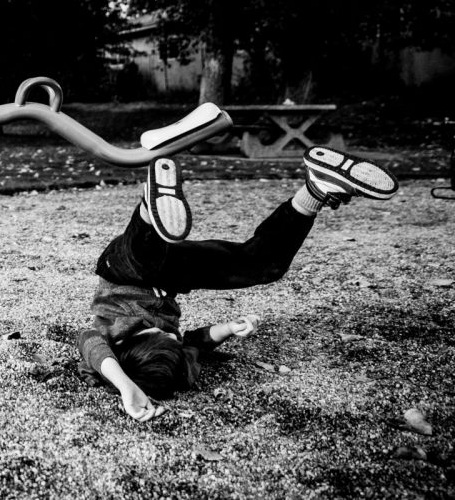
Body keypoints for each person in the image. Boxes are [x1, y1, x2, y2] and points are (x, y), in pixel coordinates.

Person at [76, 146, 399, 421]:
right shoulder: (172, 353)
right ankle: (317, 188)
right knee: (262, 267)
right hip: (174, 277)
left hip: (121, 269)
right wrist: (229, 328)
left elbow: (89, 342)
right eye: (170, 338)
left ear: (123, 350)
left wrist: (125, 386)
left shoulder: (109, 343)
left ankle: (150, 207)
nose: (167, 330)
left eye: (156, 333)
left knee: (142, 258)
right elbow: (194, 343)